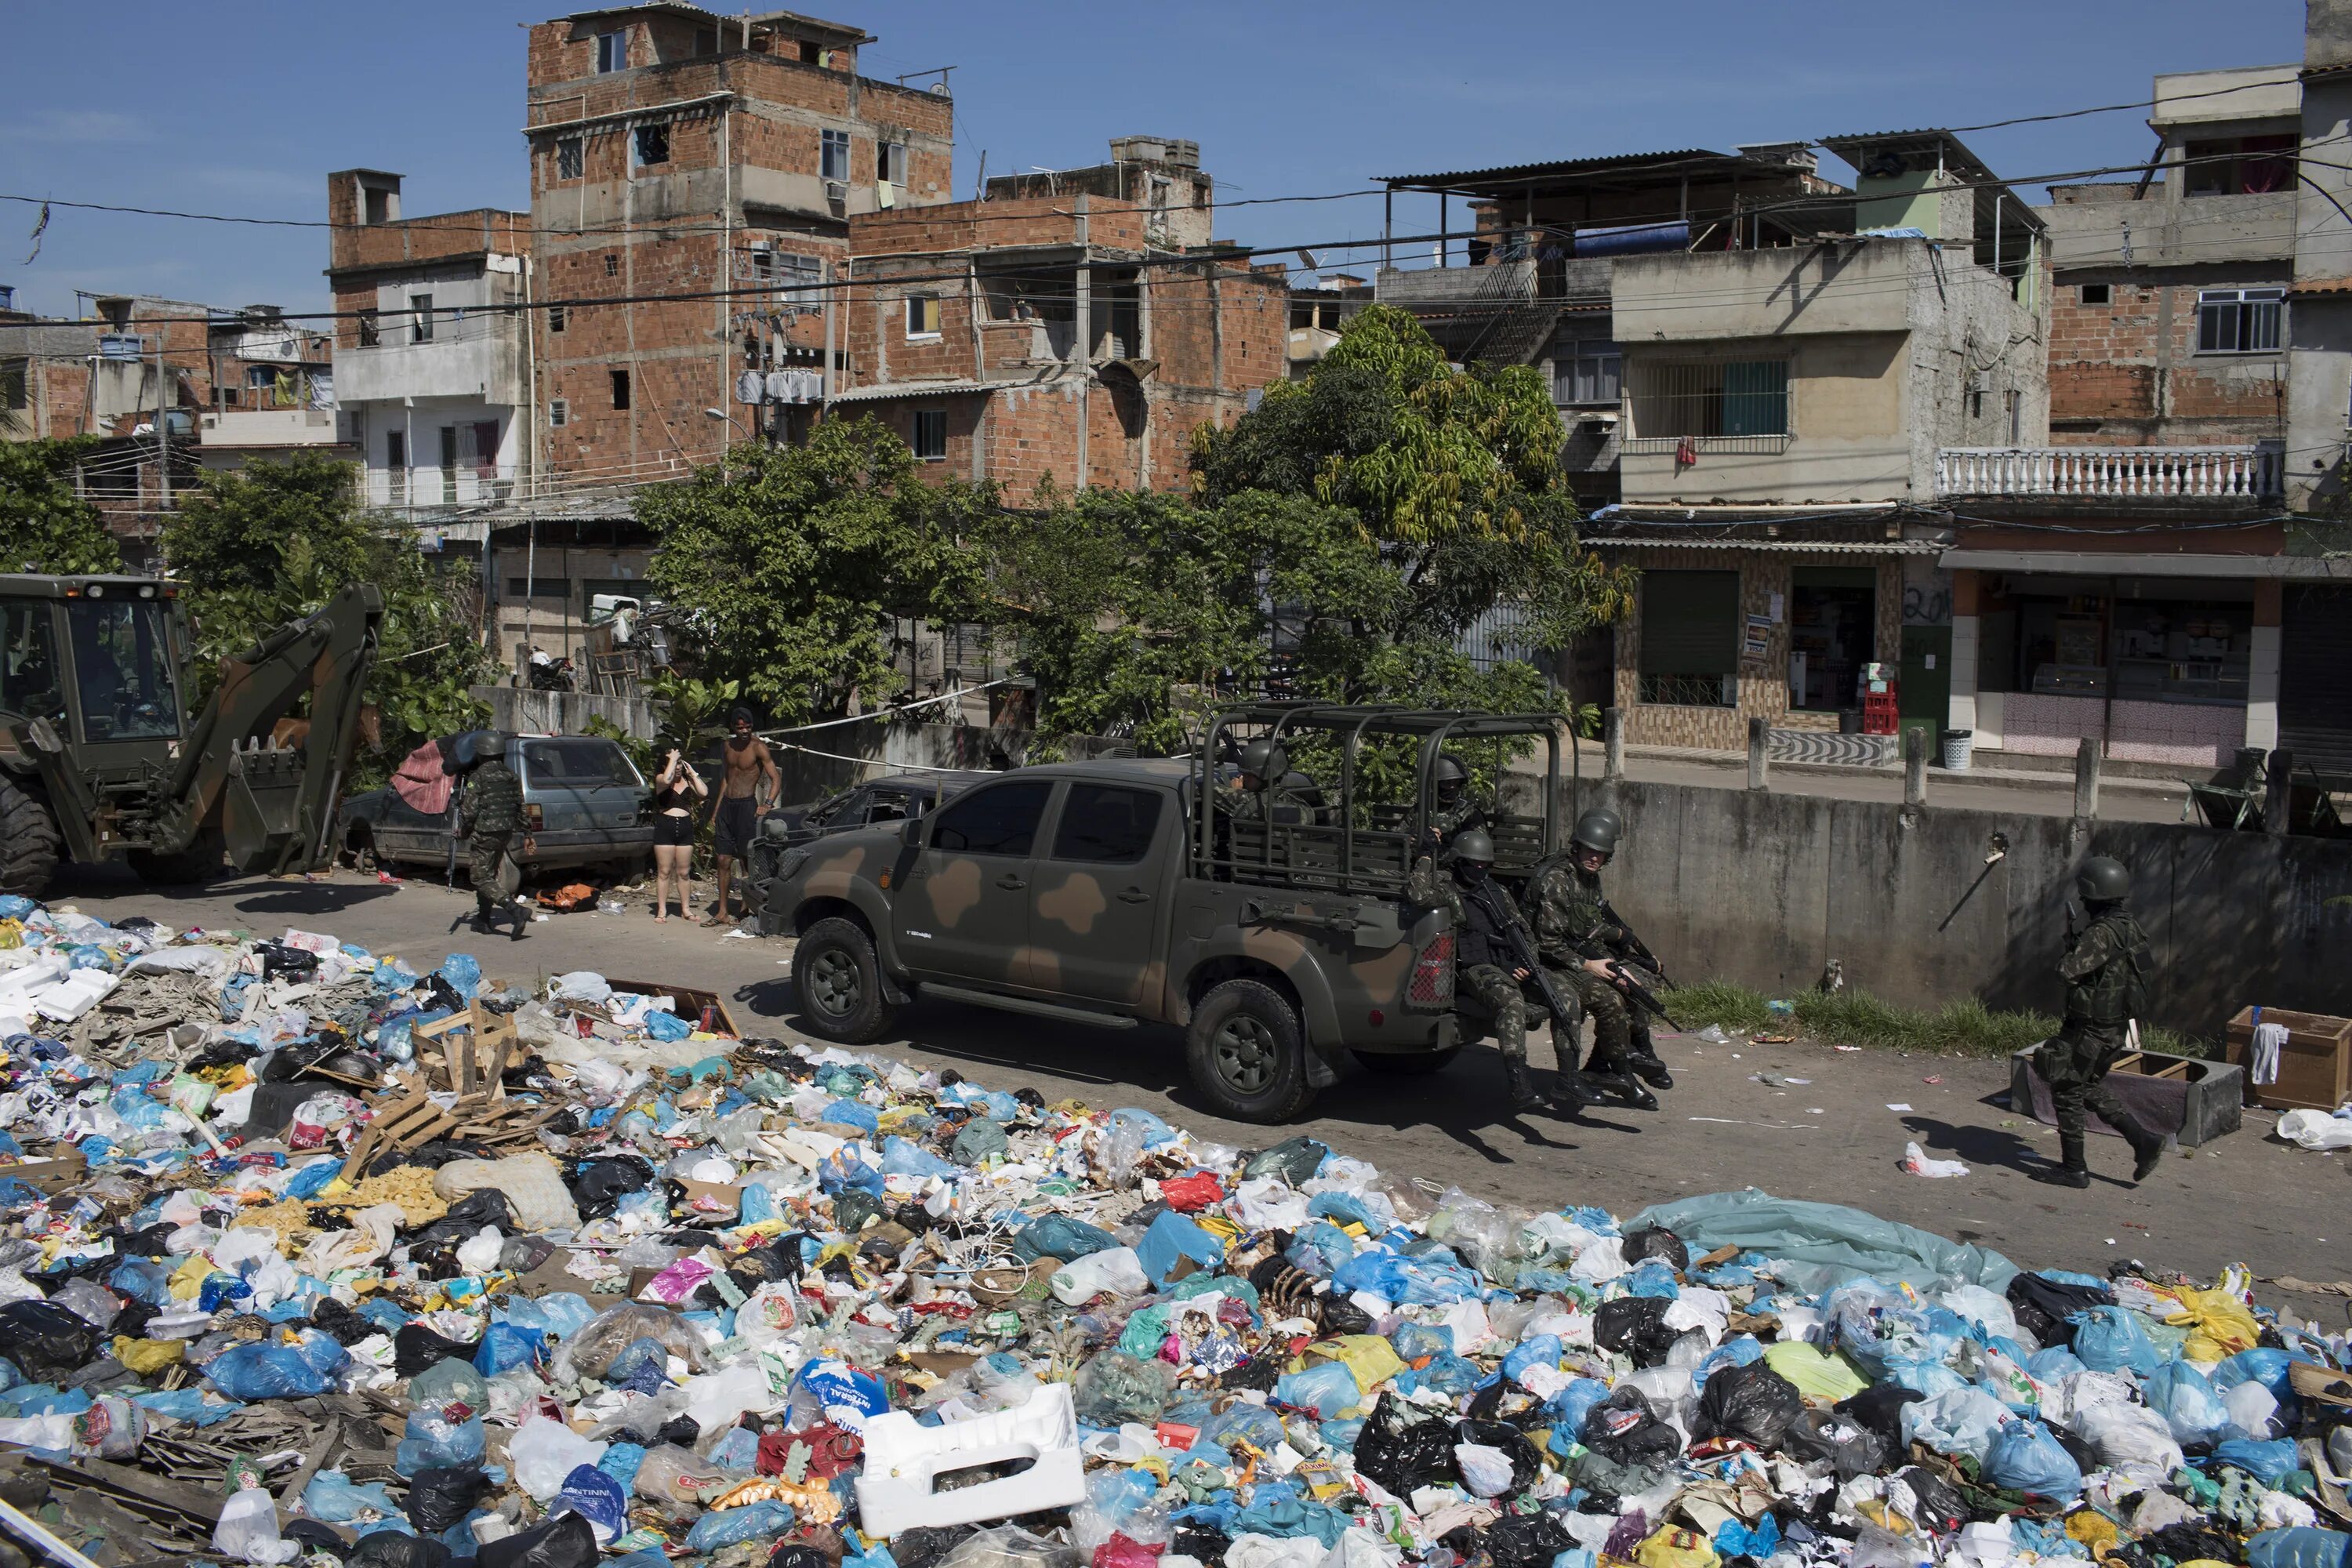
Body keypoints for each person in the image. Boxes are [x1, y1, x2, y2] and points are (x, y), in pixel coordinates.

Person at [2040, 855, 2169, 1189]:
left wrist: (2070, 948)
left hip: (2089, 1027)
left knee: (2067, 1089)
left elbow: (2067, 973)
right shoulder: (2130, 928)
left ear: (2091, 897)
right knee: (2083, 1085)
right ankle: (2143, 1140)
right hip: (2113, 1026)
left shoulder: (2100, 935)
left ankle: (2075, 1169)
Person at [1410, 828, 1559, 1116]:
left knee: (1563, 993)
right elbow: (1418, 895)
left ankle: (1570, 1078)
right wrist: (1426, 857)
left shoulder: (1496, 891)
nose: (1479, 871)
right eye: (1472, 864)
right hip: (1475, 967)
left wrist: (1525, 964)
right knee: (1511, 1002)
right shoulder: (1449, 888)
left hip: (1510, 965)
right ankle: (1519, 1082)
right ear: (1458, 861)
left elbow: (1522, 931)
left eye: (1484, 866)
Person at [1528, 808, 1666, 1110]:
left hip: (1575, 955)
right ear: (1576, 847)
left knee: (1635, 986)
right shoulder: (1558, 880)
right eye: (1590, 851)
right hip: (1550, 962)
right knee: (1610, 1000)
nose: (1595, 858)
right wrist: (1589, 965)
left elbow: (1587, 929)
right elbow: (1548, 943)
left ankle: (1611, 1066)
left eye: (1601, 854)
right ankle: (1616, 1069)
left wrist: (1623, 959)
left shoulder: (1589, 878)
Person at [706, 708, 780, 927]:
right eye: (740, 728)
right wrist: (716, 810)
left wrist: (767, 804)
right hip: (727, 807)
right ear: (733, 728)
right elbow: (726, 780)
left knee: (747, 860)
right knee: (722, 860)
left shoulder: (759, 747)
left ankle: (746, 909)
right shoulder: (727, 746)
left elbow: (775, 779)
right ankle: (721, 912)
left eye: (747, 727)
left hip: (747, 806)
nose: (744, 731)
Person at [464, 733, 530, 939]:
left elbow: (469, 811)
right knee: (489, 874)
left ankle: (516, 910)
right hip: (505, 832)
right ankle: (483, 920)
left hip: (485, 833)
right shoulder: (511, 775)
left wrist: (463, 831)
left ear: (482, 752)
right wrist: (528, 833)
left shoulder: (479, 776)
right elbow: (521, 806)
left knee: (480, 877)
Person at [649, 747, 707, 923]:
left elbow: (704, 793)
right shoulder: (661, 780)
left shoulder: (687, 781)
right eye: (674, 763)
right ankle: (661, 910)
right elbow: (666, 779)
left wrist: (694, 775)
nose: (678, 766)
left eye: (680, 762)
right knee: (664, 871)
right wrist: (672, 759)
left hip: (685, 827)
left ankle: (686, 909)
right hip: (665, 826)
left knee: (683, 872)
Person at [1425, 751, 1487, 852]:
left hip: (1454, 865)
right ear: (1436, 784)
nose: (1452, 787)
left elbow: (1478, 849)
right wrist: (1413, 837)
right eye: (1447, 783)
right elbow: (1398, 836)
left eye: (1456, 782)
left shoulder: (1469, 814)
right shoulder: (1422, 809)